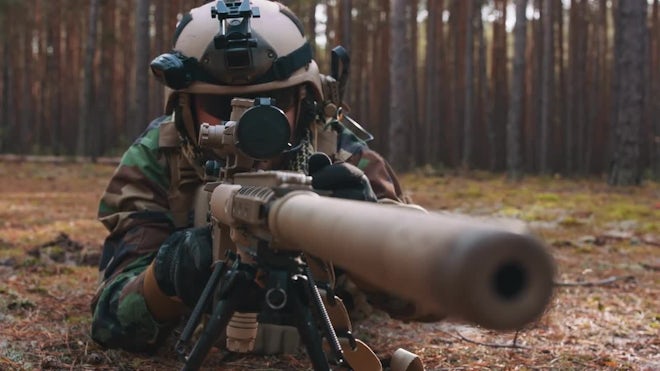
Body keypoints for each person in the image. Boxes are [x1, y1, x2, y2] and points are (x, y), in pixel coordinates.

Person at [90, 0, 423, 366]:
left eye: (274, 102)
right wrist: (170, 273)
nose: (250, 124)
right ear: (184, 108)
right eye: (223, 106)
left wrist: (369, 240)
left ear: (306, 99)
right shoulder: (159, 159)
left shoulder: (341, 156)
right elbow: (112, 321)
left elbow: (429, 291)